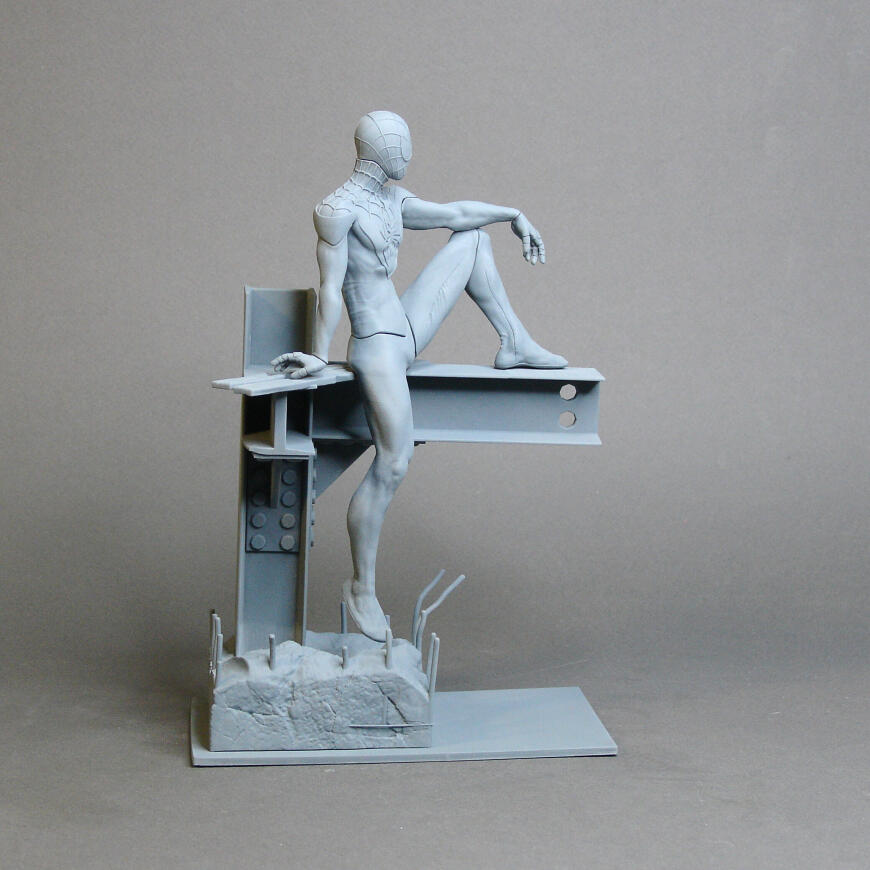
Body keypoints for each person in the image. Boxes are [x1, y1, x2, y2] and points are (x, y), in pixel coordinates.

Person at [272, 111, 567, 640]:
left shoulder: (392, 200)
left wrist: (513, 214)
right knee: (393, 461)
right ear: (380, 151)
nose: (408, 155)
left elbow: (456, 213)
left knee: (473, 239)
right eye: (401, 146)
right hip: (376, 348)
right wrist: (319, 355)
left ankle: (514, 342)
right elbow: (330, 289)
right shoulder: (336, 211)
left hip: (405, 328)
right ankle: (361, 589)